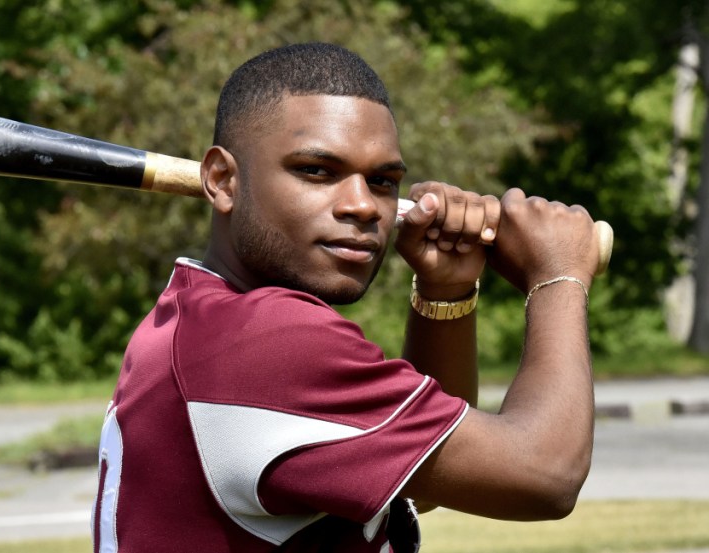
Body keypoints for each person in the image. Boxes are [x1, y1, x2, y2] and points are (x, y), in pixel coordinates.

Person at [91, 42, 600, 552]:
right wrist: (558, 276)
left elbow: (424, 480)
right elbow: (545, 475)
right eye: (316, 170)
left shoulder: (193, 317)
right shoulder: (267, 343)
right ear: (223, 179)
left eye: (381, 181)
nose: (361, 206)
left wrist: (446, 292)